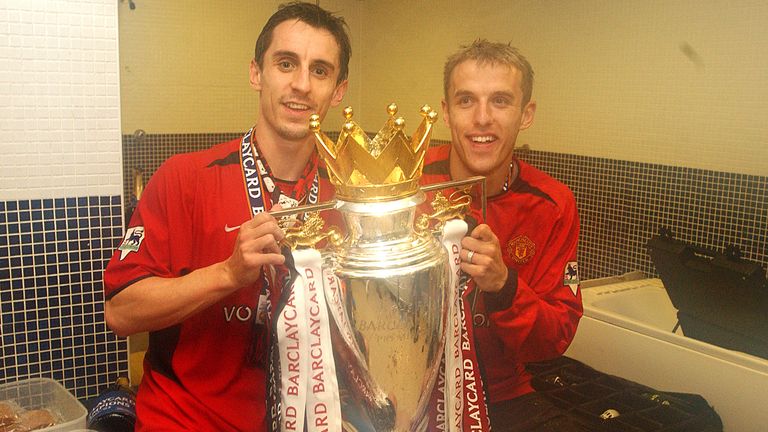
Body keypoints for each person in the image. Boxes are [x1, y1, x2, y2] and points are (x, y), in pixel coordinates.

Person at [102, 2, 350, 430]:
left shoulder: (349, 195)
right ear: (257, 73)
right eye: (286, 63)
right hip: (187, 420)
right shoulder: (184, 179)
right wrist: (228, 274)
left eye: (321, 70)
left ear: (339, 90)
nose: (302, 84)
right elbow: (121, 313)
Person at [421, 40, 584, 431]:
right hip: (414, 389)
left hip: (504, 392)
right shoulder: (406, 183)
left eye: (500, 101)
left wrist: (504, 286)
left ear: (525, 114)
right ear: (446, 111)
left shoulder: (553, 204)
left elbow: (557, 335)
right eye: (465, 101)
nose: (482, 118)